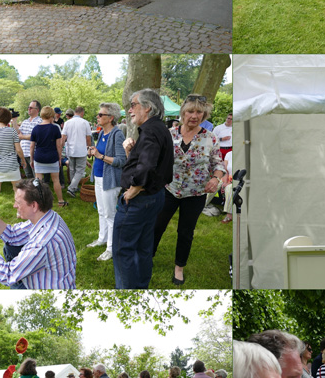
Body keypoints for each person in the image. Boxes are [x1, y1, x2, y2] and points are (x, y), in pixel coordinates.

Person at [152, 95, 224, 285]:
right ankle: (147, 257)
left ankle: (179, 267)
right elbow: (154, 157)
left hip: (196, 193)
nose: (194, 115)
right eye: (190, 111)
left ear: (204, 115)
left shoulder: (210, 138)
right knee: (157, 226)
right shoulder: (169, 134)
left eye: (199, 112)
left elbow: (218, 163)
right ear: (183, 113)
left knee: (186, 231)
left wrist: (216, 178)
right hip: (169, 189)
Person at [113, 89, 173, 289]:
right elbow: (149, 163)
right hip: (155, 197)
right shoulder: (159, 128)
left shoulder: (150, 130)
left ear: (147, 108)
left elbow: (147, 167)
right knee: (143, 247)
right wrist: (130, 151)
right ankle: (140, 287)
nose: (129, 110)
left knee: (124, 250)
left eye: (133, 105)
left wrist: (134, 188)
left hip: (141, 200)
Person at [0, 178, 77, 288]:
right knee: (9, 246)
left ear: (34, 206)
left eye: (18, 202)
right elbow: (12, 235)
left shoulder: (41, 243)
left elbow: (7, 275)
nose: (14, 206)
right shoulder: (48, 216)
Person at [85, 102, 126, 261]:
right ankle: (102, 239)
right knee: (101, 211)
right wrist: (93, 153)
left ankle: (111, 247)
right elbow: (99, 153)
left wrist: (100, 156)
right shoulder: (102, 133)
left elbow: (121, 160)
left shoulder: (117, 134)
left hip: (110, 180)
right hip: (99, 178)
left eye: (101, 114)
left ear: (111, 118)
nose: (98, 116)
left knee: (110, 214)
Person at [62, 105, 92, 198]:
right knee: (79, 170)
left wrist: (61, 148)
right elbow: (88, 138)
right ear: (82, 113)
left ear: (75, 112)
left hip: (70, 150)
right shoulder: (85, 122)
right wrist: (89, 148)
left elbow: (63, 137)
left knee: (72, 169)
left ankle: (73, 187)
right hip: (81, 150)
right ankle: (71, 188)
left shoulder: (67, 123)